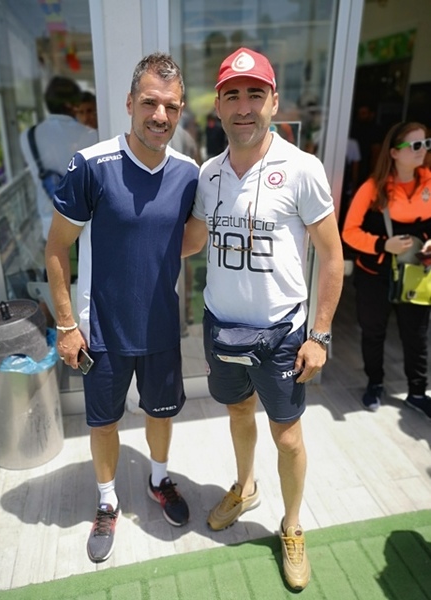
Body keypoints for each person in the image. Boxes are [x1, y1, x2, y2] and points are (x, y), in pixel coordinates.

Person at [182, 47, 344, 591]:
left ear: (274, 101)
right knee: (237, 412)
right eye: (232, 95)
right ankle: (245, 487)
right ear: (218, 107)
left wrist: (319, 334)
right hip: (222, 326)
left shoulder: (302, 169)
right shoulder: (208, 174)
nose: (244, 106)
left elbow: (332, 257)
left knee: (289, 438)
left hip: (281, 334)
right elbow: (193, 240)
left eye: (255, 94)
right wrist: (129, 236)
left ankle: (292, 525)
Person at [45, 52, 199, 563]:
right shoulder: (91, 165)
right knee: (104, 423)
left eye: (171, 106)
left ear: (180, 111)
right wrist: (66, 324)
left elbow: (188, 238)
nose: (160, 115)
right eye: (150, 102)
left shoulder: (188, 173)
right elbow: (56, 248)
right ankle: (108, 500)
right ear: (130, 103)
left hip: (160, 327)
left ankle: (158, 479)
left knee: (161, 414)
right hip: (102, 331)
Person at [342, 121, 431, 416]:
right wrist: (383, 244)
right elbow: (349, 233)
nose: (422, 150)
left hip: (415, 274)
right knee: (374, 332)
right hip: (374, 276)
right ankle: (375, 384)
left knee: (416, 335)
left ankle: (417, 392)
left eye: (426, 144)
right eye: (415, 145)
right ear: (394, 152)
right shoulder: (372, 188)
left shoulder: (429, 182)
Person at [20, 77, 98, 243]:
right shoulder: (91, 135)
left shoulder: (27, 136)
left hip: (48, 217)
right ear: (72, 104)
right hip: (84, 222)